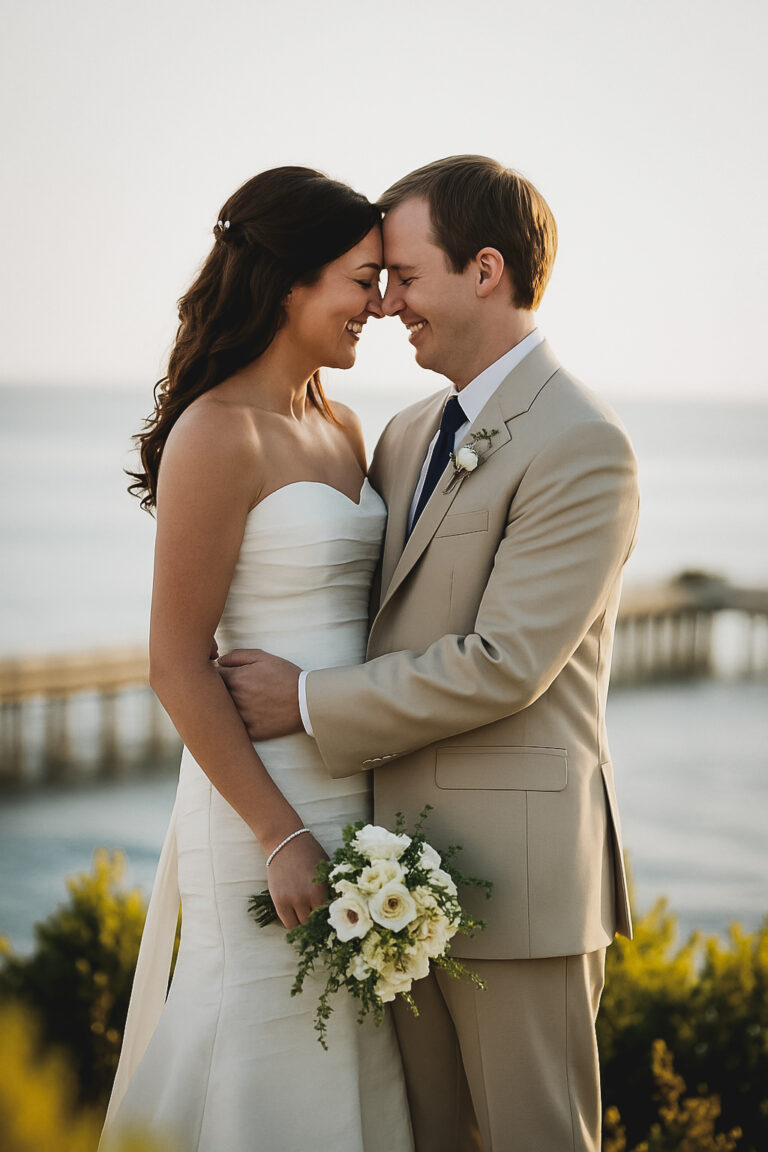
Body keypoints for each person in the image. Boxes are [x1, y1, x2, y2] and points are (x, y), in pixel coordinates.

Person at [217, 155, 640, 1152]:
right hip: (392, 875)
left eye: (404, 276)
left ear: (484, 270)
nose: (385, 301)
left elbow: (507, 661)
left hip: (526, 885)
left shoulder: (582, 442)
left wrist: (310, 704)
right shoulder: (405, 434)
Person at [100, 167, 414, 1152]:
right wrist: (281, 835)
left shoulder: (344, 426)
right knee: (263, 1035)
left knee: (353, 1051)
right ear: (290, 281)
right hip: (258, 800)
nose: (381, 302)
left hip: (351, 778)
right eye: (362, 279)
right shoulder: (216, 433)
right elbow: (176, 662)